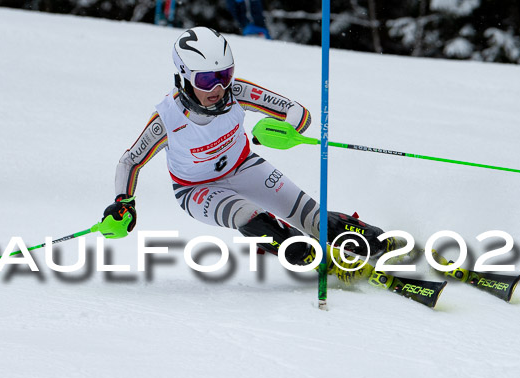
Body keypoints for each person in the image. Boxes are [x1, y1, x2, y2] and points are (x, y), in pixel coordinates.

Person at [101, 27, 402, 285]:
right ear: (184, 76)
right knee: (253, 219)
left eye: (225, 74)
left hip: (244, 167)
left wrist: (286, 130)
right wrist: (123, 203)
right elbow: (130, 161)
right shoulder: (167, 119)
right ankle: (313, 259)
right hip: (196, 190)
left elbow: (297, 113)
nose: (218, 88)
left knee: (315, 218)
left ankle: (380, 244)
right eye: (207, 80)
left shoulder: (238, 93)